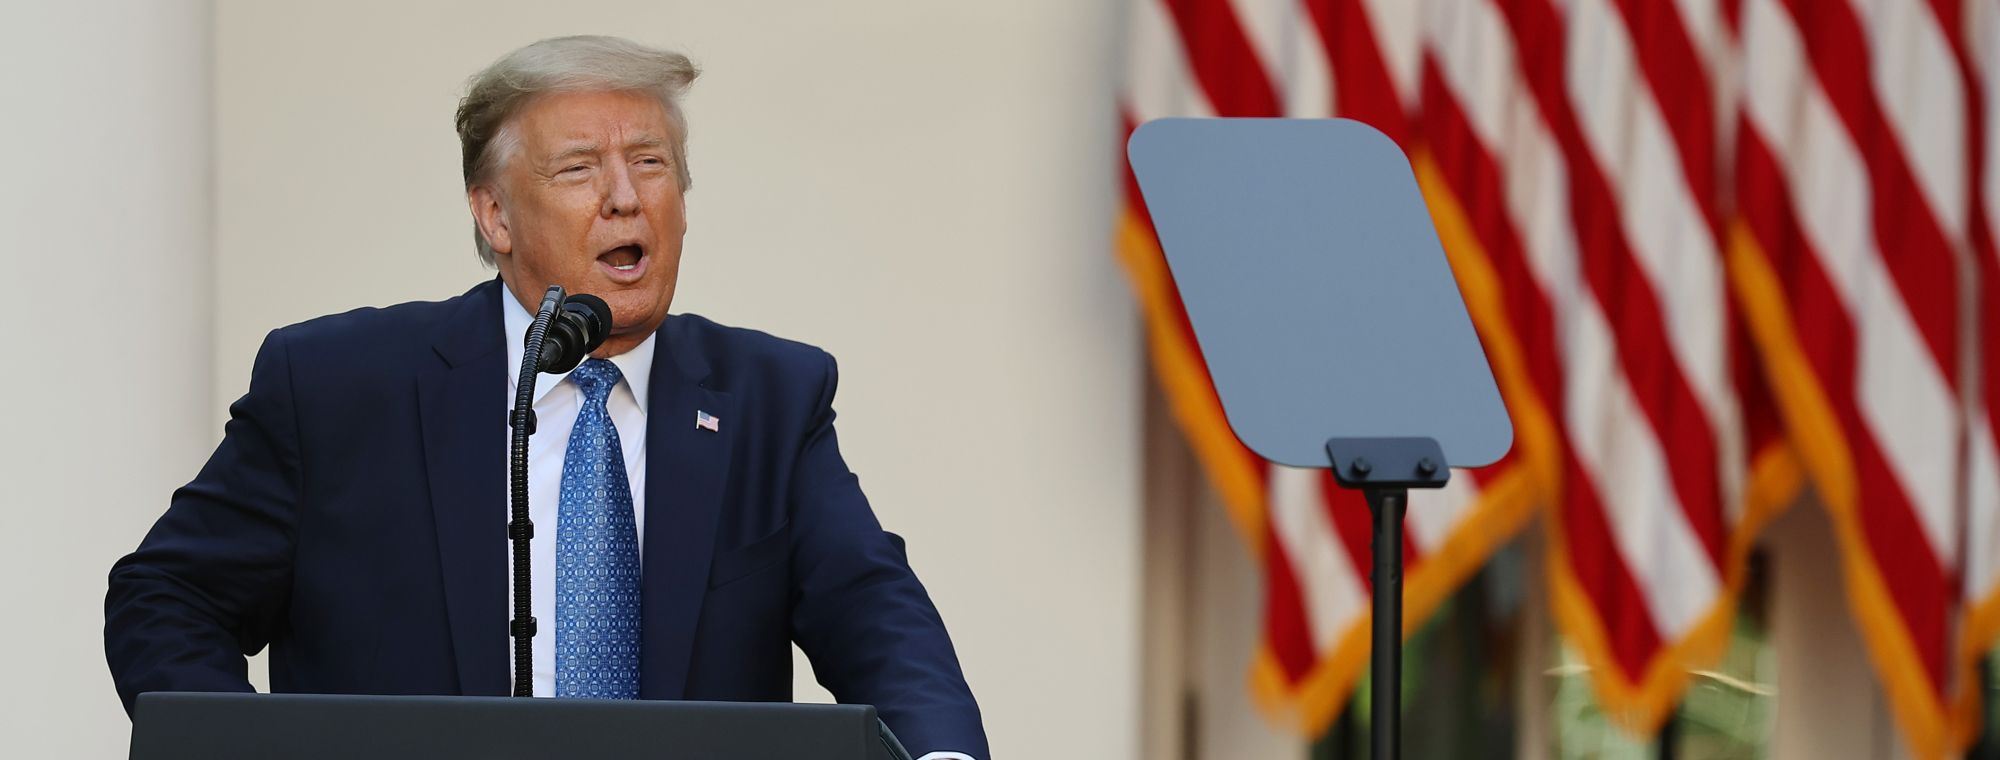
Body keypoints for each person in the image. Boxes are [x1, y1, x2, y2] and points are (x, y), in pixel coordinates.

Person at [104, 35, 986, 760]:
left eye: (652, 163)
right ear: (494, 217)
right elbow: (167, 596)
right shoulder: (338, 386)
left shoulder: (768, 399)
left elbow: (877, 618)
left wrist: (940, 757)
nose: (625, 197)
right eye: (578, 170)